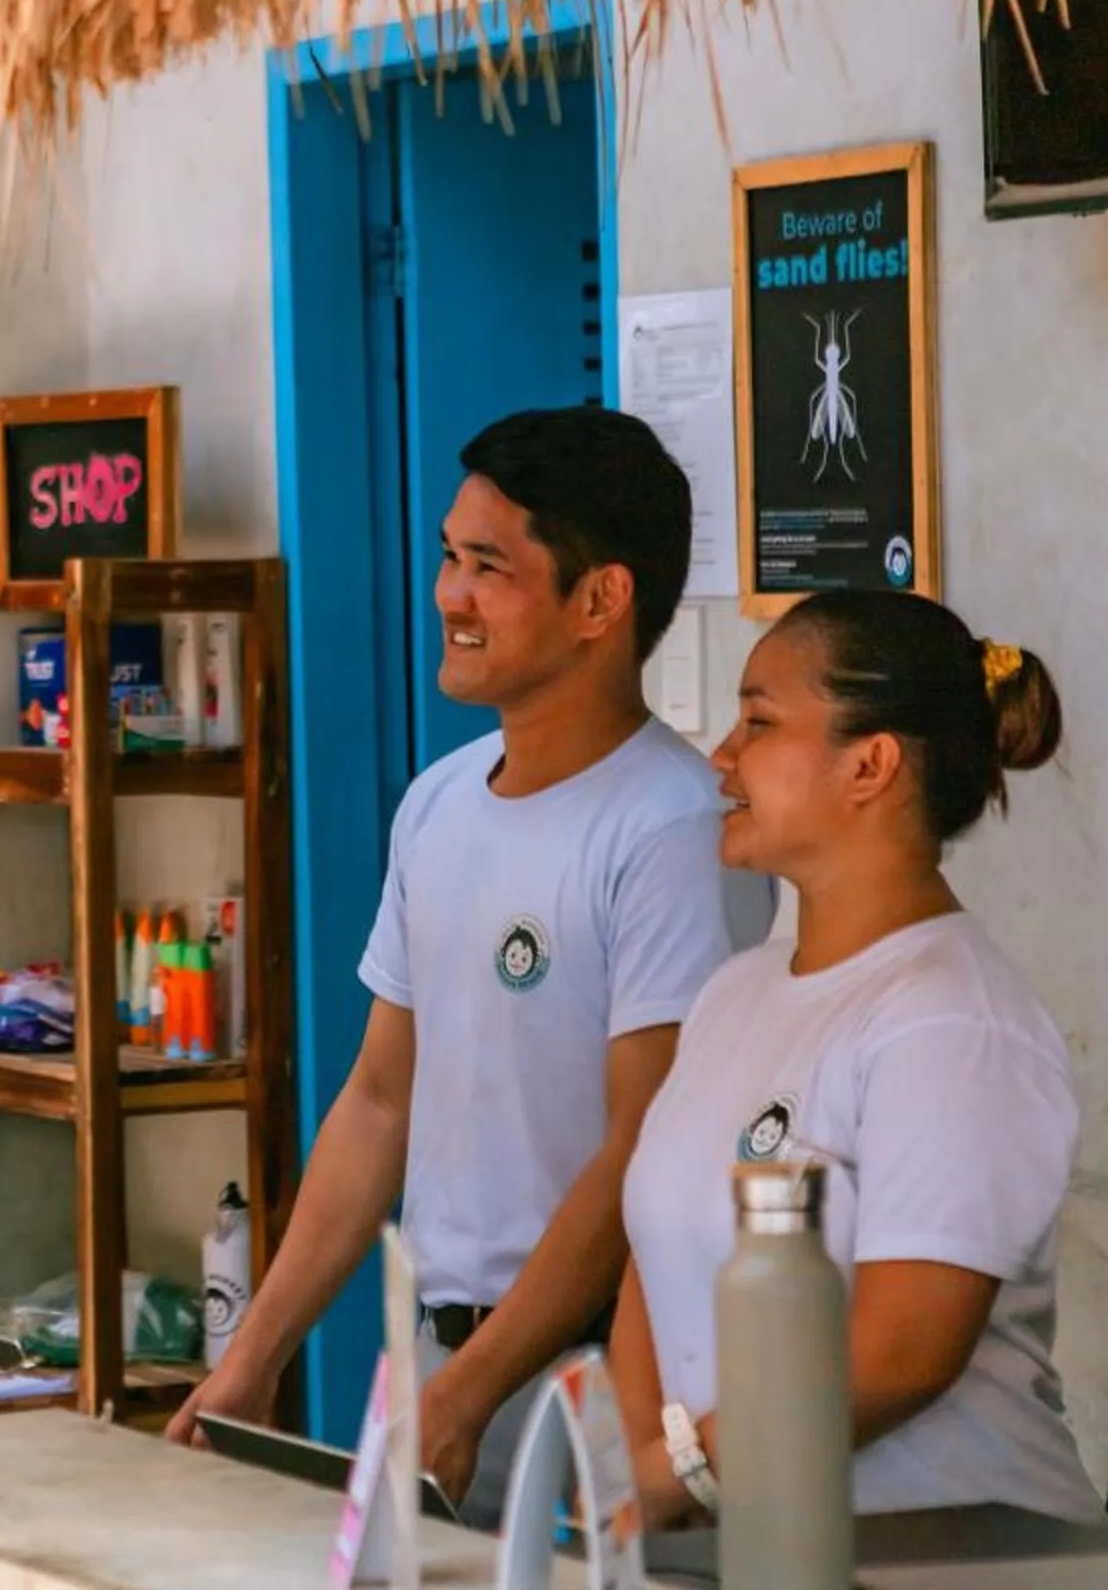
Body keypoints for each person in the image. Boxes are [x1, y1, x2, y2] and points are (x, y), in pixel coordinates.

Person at [168, 406, 773, 1518]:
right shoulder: (439, 801)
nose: (449, 592)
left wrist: (477, 1387)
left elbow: (644, 1147)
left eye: (488, 565)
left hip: (597, 1380)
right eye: (450, 555)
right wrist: (254, 1357)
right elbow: (378, 1101)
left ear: (601, 599)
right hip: (440, 1369)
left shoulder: (672, 827)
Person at [611, 591, 1101, 1526]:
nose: (721, 756)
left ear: (870, 765)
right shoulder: (736, 992)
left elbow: (899, 1351)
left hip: (958, 1553)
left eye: (758, 721)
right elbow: (652, 1255)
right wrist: (649, 1472)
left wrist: (679, 1479)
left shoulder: (952, 1020)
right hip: (757, 1548)